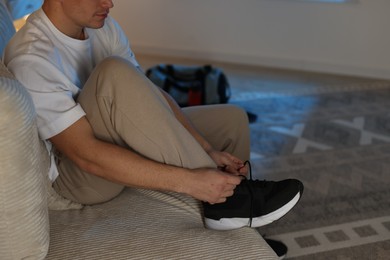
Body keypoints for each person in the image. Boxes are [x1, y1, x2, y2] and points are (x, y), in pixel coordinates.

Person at [4, 1, 302, 256]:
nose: (109, 3)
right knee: (113, 72)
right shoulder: (31, 56)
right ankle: (231, 200)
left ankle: (240, 228)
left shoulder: (103, 28)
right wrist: (190, 181)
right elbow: (85, 155)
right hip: (77, 178)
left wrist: (207, 148)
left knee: (232, 120)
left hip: (109, 140)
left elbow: (154, 95)